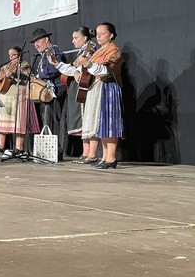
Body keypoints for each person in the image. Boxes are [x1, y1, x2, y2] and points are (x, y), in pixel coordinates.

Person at [49, 21, 124, 169]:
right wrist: (58, 64)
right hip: (97, 89)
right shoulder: (97, 53)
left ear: (111, 35)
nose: (99, 36)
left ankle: (111, 157)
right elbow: (78, 70)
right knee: (102, 124)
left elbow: (105, 71)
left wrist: (87, 64)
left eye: (103, 33)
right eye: (98, 33)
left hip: (108, 88)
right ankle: (105, 157)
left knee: (109, 123)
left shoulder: (114, 51)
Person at [0, 46, 40, 160]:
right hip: (5, 96)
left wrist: (13, 76)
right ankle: (0, 147)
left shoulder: (24, 65)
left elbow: (29, 79)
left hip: (18, 95)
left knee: (18, 122)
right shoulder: (6, 66)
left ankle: (19, 148)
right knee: (2, 123)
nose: (11, 57)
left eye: (13, 55)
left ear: (19, 54)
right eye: (10, 55)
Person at [29, 27, 68, 161]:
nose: (36, 44)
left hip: (54, 91)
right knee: (47, 121)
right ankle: (48, 151)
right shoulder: (44, 54)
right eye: (34, 42)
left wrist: (40, 77)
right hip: (46, 93)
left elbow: (54, 69)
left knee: (53, 121)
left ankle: (55, 152)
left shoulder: (53, 50)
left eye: (38, 41)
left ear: (46, 39)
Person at [64, 26, 97, 161]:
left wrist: (77, 71)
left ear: (85, 38)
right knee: (83, 121)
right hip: (80, 88)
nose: (73, 41)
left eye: (76, 38)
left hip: (88, 88)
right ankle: (85, 152)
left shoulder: (90, 50)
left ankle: (91, 153)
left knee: (87, 120)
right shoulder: (82, 52)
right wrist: (75, 71)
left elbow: (87, 68)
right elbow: (74, 68)